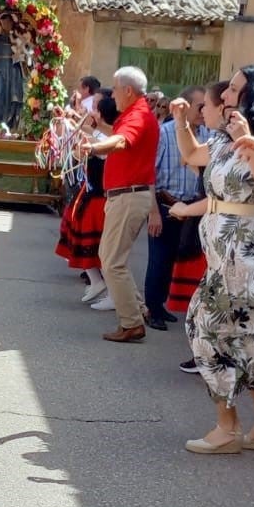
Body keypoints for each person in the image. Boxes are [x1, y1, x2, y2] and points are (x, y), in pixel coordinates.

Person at [172, 66, 254, 452]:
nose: (225, 94)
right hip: (223, 253)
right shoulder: (224, 140)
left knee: (208, 332)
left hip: (243, 254)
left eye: (233, 89)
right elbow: (191, 154)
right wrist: (181, 120)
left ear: (252, 97)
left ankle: (227, 428)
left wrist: (249, 142)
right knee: (244, 336)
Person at [87, 67, 161, 343]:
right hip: (125, 196)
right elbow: (118, 135)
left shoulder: (138, 114)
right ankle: (136, 312)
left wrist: (94, 147)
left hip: (128, 196)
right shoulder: (136, 114)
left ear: (128, 90)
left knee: (112, 262)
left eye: (115, 89)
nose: (112, 94)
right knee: (113, 260)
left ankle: (132, 322)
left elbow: (121, 140)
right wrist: (96, 129)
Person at [144, 85, 207, 332]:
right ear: (186, 107)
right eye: (200, 106)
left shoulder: (207, 135)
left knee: (177, 261)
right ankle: (152, 308)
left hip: (193, 207)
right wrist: (153, 212)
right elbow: (148, 174)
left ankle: (163, 305)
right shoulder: (164, 133)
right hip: (166, 205)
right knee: (159, 260)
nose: (204, 111)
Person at [55, 101, 111, 301]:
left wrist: (76, 126)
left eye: (95, 108)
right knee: (80, 237)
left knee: (104, 250)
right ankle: (97, 282)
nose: (90, 111)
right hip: (90, 195)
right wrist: (68, 122)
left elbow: (92, 145)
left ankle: (110, 291)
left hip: (100, 199)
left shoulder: (107, 139)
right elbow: (75, 143)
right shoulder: (97, 134)